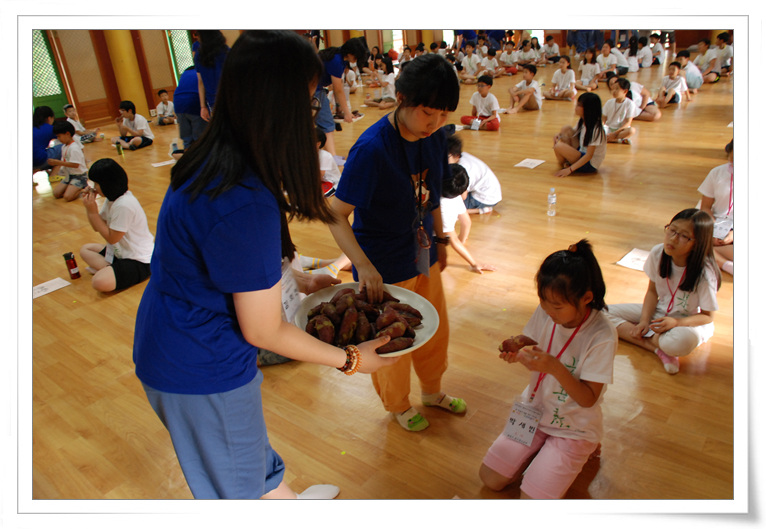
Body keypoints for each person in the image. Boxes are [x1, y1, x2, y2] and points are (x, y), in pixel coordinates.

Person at [132, 30, 398, 500]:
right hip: (201, 366)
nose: (318, 108)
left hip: (173, 338)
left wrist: (290, 277)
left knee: (246, 463)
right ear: (278, 103)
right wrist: (352, 359)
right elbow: (264, 330)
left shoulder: (211, 159)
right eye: (311, 96)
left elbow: (209, 259)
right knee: (237, 488)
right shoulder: (243, 198)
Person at [327, 53, 465, 433]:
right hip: (383, 267)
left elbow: (432, 194)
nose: (434, 123)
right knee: (390, 345)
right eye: (426, 113)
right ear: (401, 98)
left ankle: (433, 391)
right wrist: (365, 267)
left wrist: (440, 240)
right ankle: (398, 405)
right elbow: (335, 214)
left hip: (421, 255)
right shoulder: (372, 150)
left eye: (441, 115)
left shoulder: (435, 136)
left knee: (435, 331)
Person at [480, 239, 617, 499]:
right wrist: (516, 347)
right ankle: (541, 450)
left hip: (574, 425)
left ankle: (581, 446)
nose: (547, 310)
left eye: (556, 306)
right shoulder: (548, 309)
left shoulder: (602, 335)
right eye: (543, 301)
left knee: (531, 501)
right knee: (490, 480)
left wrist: (555, 367)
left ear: (587, 298)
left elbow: (588, 399)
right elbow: (530, 338)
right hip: (534, 409)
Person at [606, 209, 720, 374]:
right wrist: (644, 321)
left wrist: (676, 323)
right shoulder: (658, 252)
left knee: (679, 342)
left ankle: (663, 345)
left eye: (683, 236)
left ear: (697, 243)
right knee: (600, 313)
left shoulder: (705, 272)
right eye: (672, 230)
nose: (673, 238)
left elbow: (707, 317)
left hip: (688, 323)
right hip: (660, 313)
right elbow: (652, 292)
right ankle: (658, 349)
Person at [79, 158, 154, 292]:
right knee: (86, 249)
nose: (94, 187)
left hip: (140, 259)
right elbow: (97, 227)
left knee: (98, 282)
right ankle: (112, 270)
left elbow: (112, 238)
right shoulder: (111, 199)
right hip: (121, 253)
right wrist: (90, 208)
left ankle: (111, 271)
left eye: (96, 183)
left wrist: (92, 212)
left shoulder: (124, 205)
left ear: (107, 184)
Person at [315, 36, 369, 156]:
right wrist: (347, 113)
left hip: (315, 88)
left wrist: (340, 107)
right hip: (314, 89)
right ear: (350, 53)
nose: (356, 59)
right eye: (356, 56)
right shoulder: (336, 60)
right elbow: (338, 89)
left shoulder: (340, 57)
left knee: (323, 122)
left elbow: (337, 87)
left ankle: (328, 155)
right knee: (327, 124)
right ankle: (332, 157)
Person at [441, 163, 496, 274]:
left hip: (433, 239)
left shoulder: (442, 205)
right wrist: (462, 240)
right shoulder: (455, 198)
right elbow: (466, 222)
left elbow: (453, 240)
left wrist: (474, 263)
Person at [698, 140, 734, 275]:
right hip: (717, 222)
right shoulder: (717, 173)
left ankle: (709, 253)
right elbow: (705, 207)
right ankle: (727, 265)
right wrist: (712, 228)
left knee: (696, 247)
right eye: (732, 159)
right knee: (686, 239)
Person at [552, 92, 606, 177]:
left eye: (579, 105)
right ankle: (568, 163)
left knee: (558, 146)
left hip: (590, 163)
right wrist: (558, 135)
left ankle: (567, 165)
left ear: (588, 109)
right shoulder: (583, 120)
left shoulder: (596, 129)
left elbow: (589, 155)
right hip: (582, 151)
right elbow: (571, 133)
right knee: (566, 129)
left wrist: (569, 170)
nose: (575, 107)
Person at [447, 133, 502, 215]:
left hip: (485, 198)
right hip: (486, 191)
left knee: (447, 206)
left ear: (456, 156)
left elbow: (463, 196)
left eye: (446, 157)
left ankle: (479, 210)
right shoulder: (460, 157)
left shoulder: (463, 169)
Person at [194, 30, 230, 121]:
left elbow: (200, 82)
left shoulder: (199, 55)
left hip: (213, 101)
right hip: (230, 98)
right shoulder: (226, 51)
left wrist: (203, 107)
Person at [49, 121, 88, 201]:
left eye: (59, 136)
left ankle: (84, 188)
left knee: (67, 197)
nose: (58, 139)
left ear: (67, 134)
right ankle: (72, 187)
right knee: (56, 193)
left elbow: (75, 165)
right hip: (69, 175)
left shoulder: (74, 148)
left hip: (79, 176)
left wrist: (57, 163)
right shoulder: (64, 146)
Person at [172, 66, 205, 153]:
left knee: (187, 140)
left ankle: (189, 160)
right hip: (194, 101)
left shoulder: (185, 74)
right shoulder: (200, 71)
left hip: (178, 103)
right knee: (200, 138)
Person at [602, 77, 637, 144]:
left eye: (617, 89)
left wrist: (615, 133)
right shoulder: (609, 102)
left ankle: (611, 139)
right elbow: (603, 120)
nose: (614, 91)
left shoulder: (630, 104)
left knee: (631, 130)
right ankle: (618, 140)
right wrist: (600, 129)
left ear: (625, 91)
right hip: (608, 129)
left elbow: (628, 123)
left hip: (621, 130)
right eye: (613, 88)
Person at [32, 106, 62, 174]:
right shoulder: (50, 128)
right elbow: (66, 138)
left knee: (42, 151)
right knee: (63, 148)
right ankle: (53, 175)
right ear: (49, 118)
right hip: (38, 161)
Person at [316, 128, 341, 197]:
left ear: (318, 144)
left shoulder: (325, 155)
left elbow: (320, 175)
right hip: (319, 181)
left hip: (331, 182)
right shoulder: (309, 154)